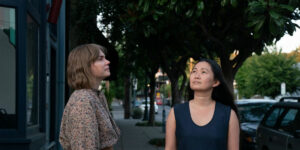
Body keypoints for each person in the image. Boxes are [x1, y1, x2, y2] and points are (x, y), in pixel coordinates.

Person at [165, 58, 240, 150]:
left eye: (203, 72)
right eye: (194, 71)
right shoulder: (176, 112)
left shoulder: (229, 115)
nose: (196, 76)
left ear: (215, 82)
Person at [59, 44, 120, 150]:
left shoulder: (94, 96)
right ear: (85, 66)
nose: (107, 62)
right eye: (101, 59)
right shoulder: (83, 101)